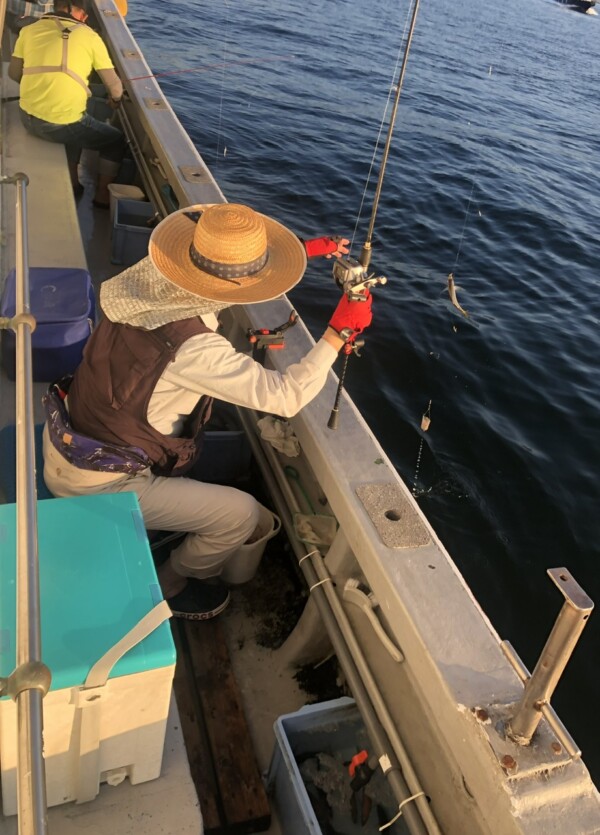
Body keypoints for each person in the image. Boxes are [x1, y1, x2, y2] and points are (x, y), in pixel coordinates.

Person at [42, 203, 373, 620]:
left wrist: (302, 252)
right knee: (241, 515)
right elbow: (286, 396)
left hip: (65, 439)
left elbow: (216, 279)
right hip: (97, 485)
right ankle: (172, 582)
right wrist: (337, 333)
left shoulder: (145, 278)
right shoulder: (197, 349)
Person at [8, 0, 126, 206]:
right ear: (72, 9)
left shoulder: (29, 30)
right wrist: (116, 99)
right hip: (60, 125)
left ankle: (73, 181)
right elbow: (115, 88)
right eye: (84, 13)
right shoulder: (90, 37)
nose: (85, 18)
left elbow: (13, 73)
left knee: (77, 119)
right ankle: (101, 196)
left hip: (27, 118)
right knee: (114, 140)